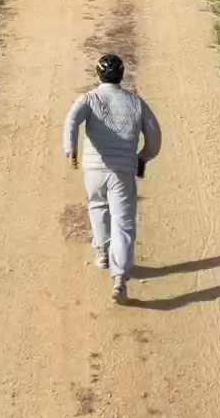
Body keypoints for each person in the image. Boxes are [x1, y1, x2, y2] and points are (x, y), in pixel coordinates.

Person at [63, 54, 162, 303]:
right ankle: (119, 279)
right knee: (124, 222)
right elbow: (155, 138)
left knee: (97, 205)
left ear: (98, 74)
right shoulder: (136, 103)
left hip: (94, 170)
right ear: (122, 74)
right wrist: (142, 158)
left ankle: (101, 252)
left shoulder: (90, 99)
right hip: (122, 171)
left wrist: (71, 149)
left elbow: (72, 119)